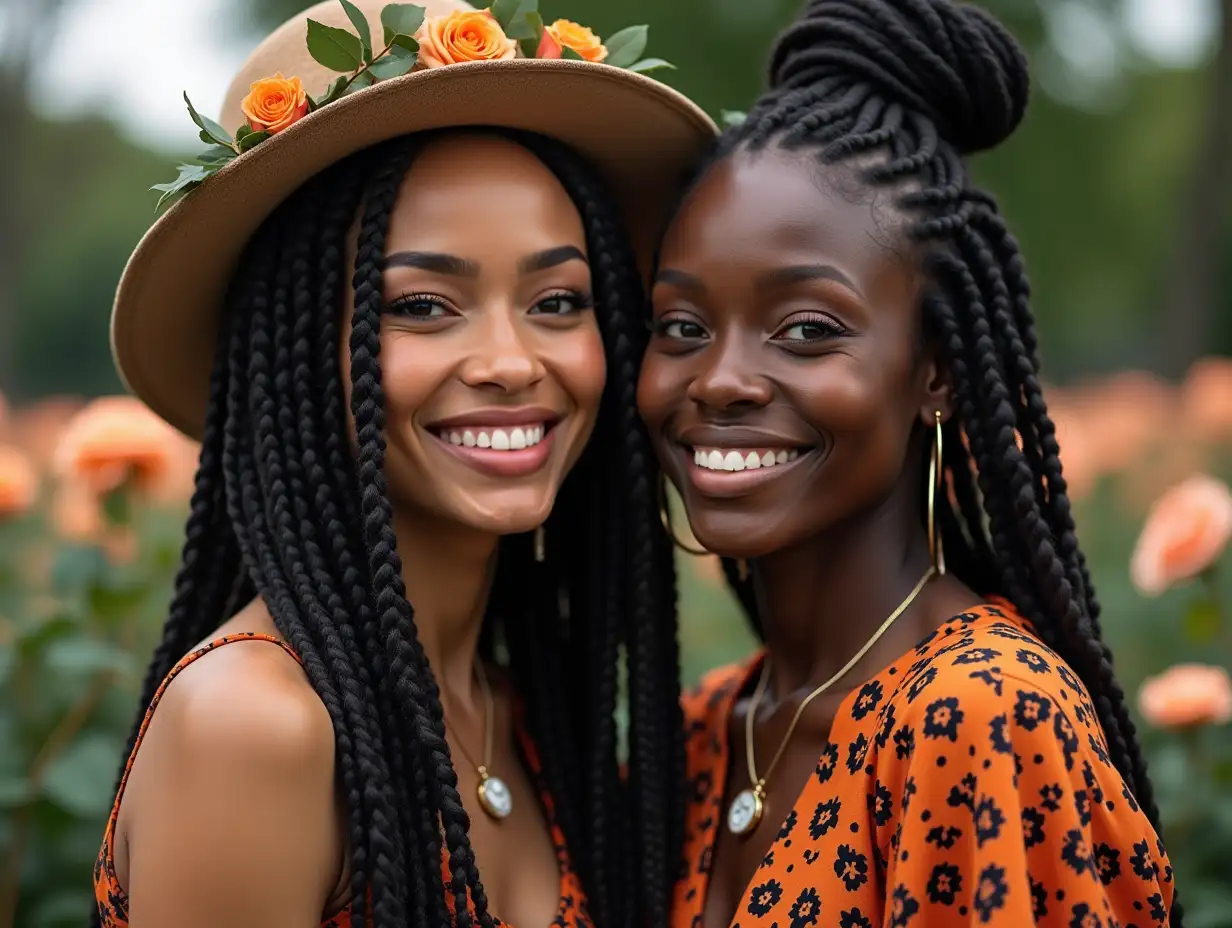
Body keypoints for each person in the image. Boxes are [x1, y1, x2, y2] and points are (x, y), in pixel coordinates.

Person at [93, 1, 712, 926]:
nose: (511, 361)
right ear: (299, 354)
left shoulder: (522, 716)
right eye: (423, 306)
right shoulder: (257, 727)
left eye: (557, 301)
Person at [637, 1, 1179, 925]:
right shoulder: (702, 735)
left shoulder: (981, 718)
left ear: (935, 370)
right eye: (683, 327)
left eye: (806, 329)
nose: (720, 379)